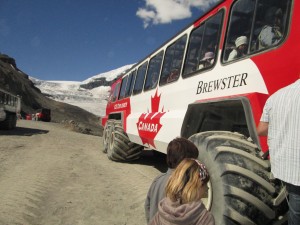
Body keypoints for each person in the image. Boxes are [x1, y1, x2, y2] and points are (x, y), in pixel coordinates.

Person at [257, 77, 300, 225]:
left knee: (295, 211)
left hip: (287, 169)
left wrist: (283, 124)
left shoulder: (275, 97)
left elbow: (261, 129)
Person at [145, 137, 199, 224]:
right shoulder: (185, 187)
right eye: (194, 160)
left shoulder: (157, 180)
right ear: (186, 163)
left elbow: (147, 205)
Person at [149, 158, 214, 225]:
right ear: (196, 186)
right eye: (204, 184)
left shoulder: (163, 210)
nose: (207, 188)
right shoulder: (205, 218)